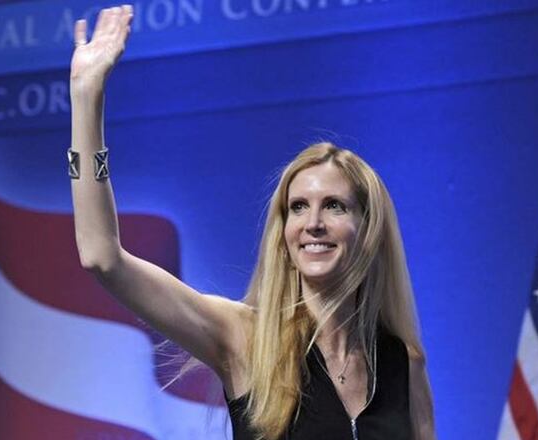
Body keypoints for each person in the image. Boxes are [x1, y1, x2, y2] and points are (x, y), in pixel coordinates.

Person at [69, 5, 435, 440]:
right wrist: (86, 97)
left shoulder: (404, 363)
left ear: (369, 228)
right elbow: (102, 257)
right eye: (297, 208)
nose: (313, 223)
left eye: (335, 206)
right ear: (283, 233)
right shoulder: (246, 338)